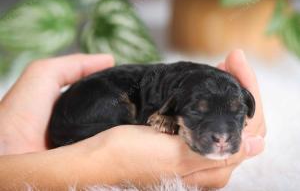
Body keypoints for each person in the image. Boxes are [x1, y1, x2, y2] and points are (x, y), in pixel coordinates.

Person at [0, 50, 266, 190]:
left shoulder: (185, 92)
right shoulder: (162, 102)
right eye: (197, 111)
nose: (222, 135)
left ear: (246, 106)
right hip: (86, 106)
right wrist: (100, 163)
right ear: (170, 107)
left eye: (236, 113)